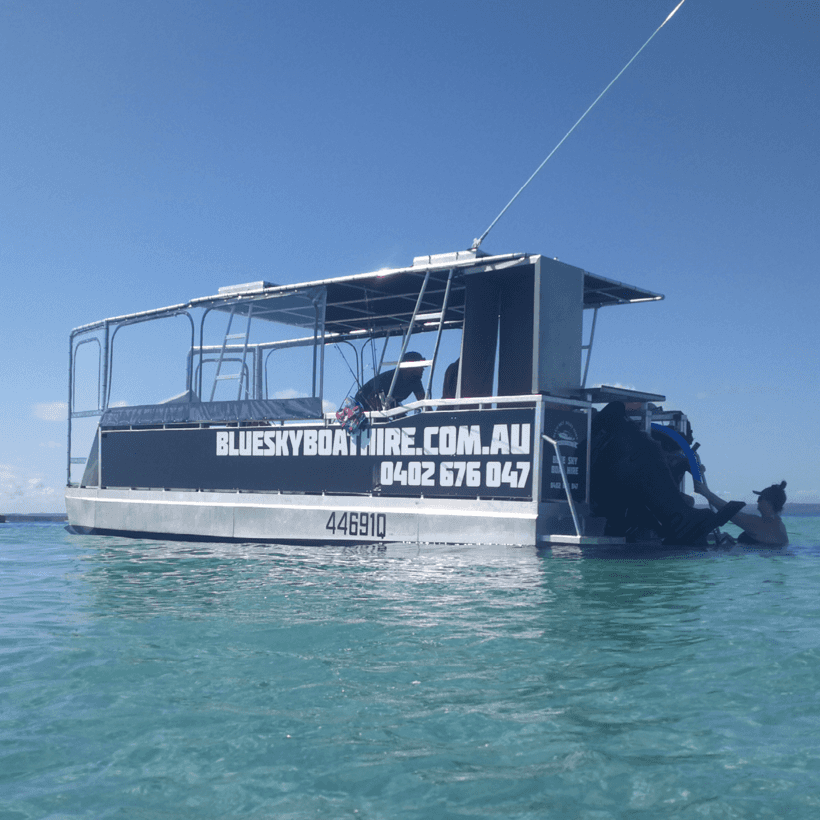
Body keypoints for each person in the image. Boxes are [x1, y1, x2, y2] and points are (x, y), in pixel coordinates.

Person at [590, 401, 745, 545]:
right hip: (620, 476)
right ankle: (675, 523)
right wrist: (647, 407)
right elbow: (632, 404)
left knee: (684, 501)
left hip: (622, 475)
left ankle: (673, 523)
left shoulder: (611, 425)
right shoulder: (615, 413)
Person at [694, 478, 788, 546]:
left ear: (769, 503)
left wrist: (707, 493)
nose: (757, 501)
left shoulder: (765, 524)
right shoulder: (778, 524)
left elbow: (732, 513)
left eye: (760, 498)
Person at [354, 351, 426, 411]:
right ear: (409, 367)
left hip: (385, 404)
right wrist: (396, 412)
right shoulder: (390, 377)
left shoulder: (415, 380)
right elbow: (378, 398)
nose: (423, 369)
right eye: (420, 366)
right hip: (362, 403)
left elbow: (424, 403)